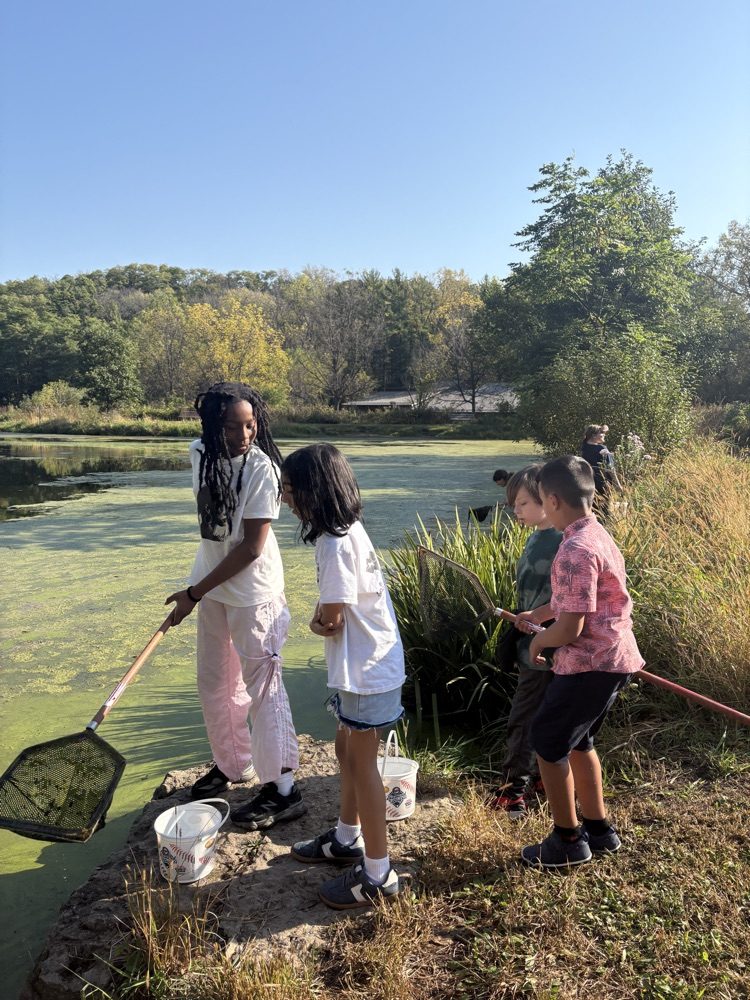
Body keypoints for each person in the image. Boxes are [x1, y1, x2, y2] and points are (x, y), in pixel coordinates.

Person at [165, 381, 307, 831]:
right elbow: (213, 533)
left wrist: (193, 594)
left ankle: (283, 789)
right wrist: (196, 589)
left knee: (263, 689)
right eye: (232, 427)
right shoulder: (198, 454)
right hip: (212, 590)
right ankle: (233, 765)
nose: (244, 434)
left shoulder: (262, 470)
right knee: (216, 684)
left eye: (251, 425)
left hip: (254, 595)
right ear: (211, 428)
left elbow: (249, 547)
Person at [280, 443, 405, 909]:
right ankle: (347, 838)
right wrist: (325, 615)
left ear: (314, 491)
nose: (285, 500)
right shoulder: (349, 531)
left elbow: (329, 620)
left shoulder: (334, 544)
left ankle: (378, 873)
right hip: (368, 668)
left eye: (290, 490)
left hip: (367, 671)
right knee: (344, 747)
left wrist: (315, 625)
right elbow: (340, 602)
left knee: (362, 765)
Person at [516, 456, 643, 869]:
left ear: (552, 501)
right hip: (616, 658)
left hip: (590, 664)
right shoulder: (596, 533)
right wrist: (539, 616)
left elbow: (570, 629)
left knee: (547, 742)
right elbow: (575, 598)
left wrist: (538, 644)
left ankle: (567, 840)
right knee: (579, 742)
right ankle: (599, 829)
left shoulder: (572, 548)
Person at [485, 465, 562, 817]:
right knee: (541, 714)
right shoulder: (534, 535)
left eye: (523, 503)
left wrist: (538, 622)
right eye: (512, 504)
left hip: (549, 647)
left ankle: (512, 793)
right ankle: (544, 779)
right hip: (529, 641)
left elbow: (569, 601)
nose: (515, 511)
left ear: (549, 500)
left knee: (524, 717)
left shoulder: (563, 541)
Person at [580, 424, 623, 501]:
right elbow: (610, 468)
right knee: (604, 509)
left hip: (588, 482)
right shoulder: (602, 448)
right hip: (603, 483)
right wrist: (617, 484)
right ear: (593, 435)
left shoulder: (584, 448)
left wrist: (603, 430)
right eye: (601, 433)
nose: (604, 435)